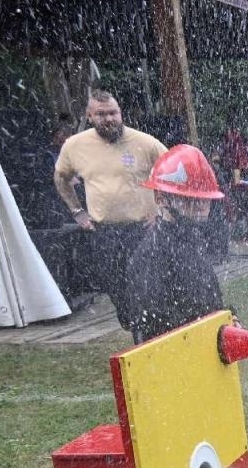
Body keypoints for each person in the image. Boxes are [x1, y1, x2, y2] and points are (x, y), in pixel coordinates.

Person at [53, 90, 167, 327]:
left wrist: (162, 211)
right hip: (104, 232)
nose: (109, 119)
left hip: (143, 229)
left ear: (120, 113)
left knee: (146, 287)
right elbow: (61, 178)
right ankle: (133, 325)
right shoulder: (75, 146)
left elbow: (172, 172)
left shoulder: (145, 143)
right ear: (89, 116)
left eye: (113, 113)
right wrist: (77, 211)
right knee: (116, 288)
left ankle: (149, 329)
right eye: (101, 114)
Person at [124, 143, 225, 345]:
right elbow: (153, 331)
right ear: (161, 198)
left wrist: (226, 322)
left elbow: (207, 299)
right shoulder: (151, 256)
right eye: (190, 200)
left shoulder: (191, 240)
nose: (201, 208)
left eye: (205, 200)